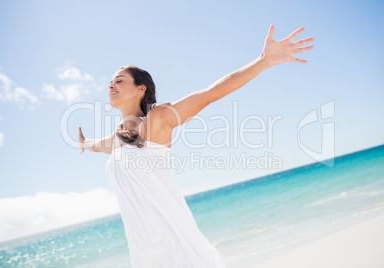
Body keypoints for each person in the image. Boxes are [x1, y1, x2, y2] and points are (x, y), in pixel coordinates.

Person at [78, 24, 314, 267]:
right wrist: (85, 143)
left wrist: (263, 61)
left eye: (118, 80)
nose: (110, 85)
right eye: (110, 82)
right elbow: (100, 144)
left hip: (178, 251)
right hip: (145, 255)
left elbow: (208, 94)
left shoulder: (157, 120)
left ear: (141, 88)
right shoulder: (121, 138)